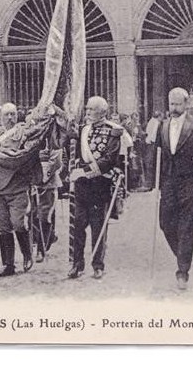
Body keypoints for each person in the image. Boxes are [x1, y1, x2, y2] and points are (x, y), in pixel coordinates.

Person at [156, 87, 193, 290]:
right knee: (165, 223)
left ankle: (182, 271)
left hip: (190, 182)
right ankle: (182, 254)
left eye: (178, 104)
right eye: (171, 104)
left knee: (187, 227)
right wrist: (156, 184)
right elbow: (159, 156)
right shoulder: (163, 125)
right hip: (168, 182)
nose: (174, 108)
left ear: (186, 104)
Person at [0, 102, 41, 277]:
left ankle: (27, 255)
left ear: (17, 115)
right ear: (1, 117)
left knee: (18, 223)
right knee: (3, 227)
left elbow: (25, 156)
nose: (10, 118)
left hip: (17, 187)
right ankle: (8, 265)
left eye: (13, 114)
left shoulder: (24, 133)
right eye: (7, 114)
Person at [67, 95, 123, 279]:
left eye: (92, 109)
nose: (88, 112)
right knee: (78, 225)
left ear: (102, 112)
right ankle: (77, 264)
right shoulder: (83, 129)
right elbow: (75, 153)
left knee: (98, 227)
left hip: (100, 185)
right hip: (82, 186)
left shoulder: (113, 131)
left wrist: (84, 171)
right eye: (87, 108)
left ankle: (98, 265)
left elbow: (109, 160)